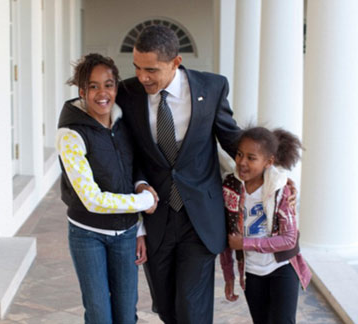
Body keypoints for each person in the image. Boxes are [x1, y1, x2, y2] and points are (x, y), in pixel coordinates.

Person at [116, 25, 241, 323]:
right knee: (167, 306)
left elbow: (232, 139)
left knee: (191, 305)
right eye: (136, 67)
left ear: (176, 62)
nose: (142, 76)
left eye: (151, 69)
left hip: (199, 217)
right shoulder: (128, 93)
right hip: (156, 214)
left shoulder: (211, 88)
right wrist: (140, 184)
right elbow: (126, 152)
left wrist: (269, 169)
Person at [56, 53, 158, 324]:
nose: (102, 93)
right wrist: (143, 202)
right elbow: (91, 200)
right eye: (93, 86)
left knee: (126, 315)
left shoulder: (123, 122)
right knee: (100, 315)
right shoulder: (70, 134)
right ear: (82, 91)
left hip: (125, 234)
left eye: (109, 84)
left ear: (116, 87)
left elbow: (133, 167)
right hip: (88, 235)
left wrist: (139, 225)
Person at [220, 127, 312, 324]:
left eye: (251, 158)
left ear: (268, 162)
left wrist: (245, 243)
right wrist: (229, 276)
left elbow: (289, 239)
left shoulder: (281, 190)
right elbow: (227, 236)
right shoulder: (230, 187)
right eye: (239, 154)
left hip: (282, 268)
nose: (242, 162)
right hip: (252, 272)